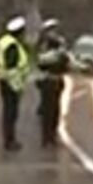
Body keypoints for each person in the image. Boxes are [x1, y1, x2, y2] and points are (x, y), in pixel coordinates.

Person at [0, 16, 31, 152]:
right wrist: (17, 85)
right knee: (11, 113)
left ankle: (9, 139)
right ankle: (10, 141)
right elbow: (12, 67)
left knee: (8, 112)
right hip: (11, 82)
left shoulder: (3, 41)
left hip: (4, 80)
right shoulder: (12, 45)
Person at [35, 18, 69, 148]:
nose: (53, 32)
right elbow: (41, 62)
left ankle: (51, 136)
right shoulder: (44, 46)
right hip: (47, 81)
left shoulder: (60, 45)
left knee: (54, 110)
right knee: (48, 111)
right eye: (51, 30)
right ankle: (47, 138)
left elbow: (66, 62)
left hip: (56, 81)